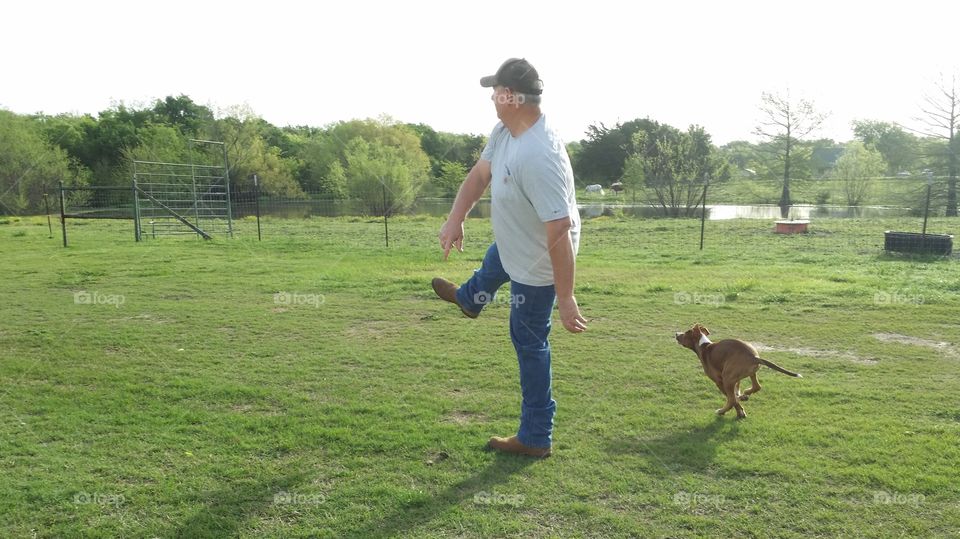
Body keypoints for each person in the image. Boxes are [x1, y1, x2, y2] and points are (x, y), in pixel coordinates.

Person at [432, 58, 586, 458]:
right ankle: (470, 299)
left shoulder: (539, 155)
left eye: (495, 91)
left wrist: (566, 298)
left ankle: (535, 436)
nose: (491, 99)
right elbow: (479, 175)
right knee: (495, 259)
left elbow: (559, 231)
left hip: (541, 262)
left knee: (529, 341)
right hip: (518, 240)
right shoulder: (505, 132)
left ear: (510, 97)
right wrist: (455, 219)